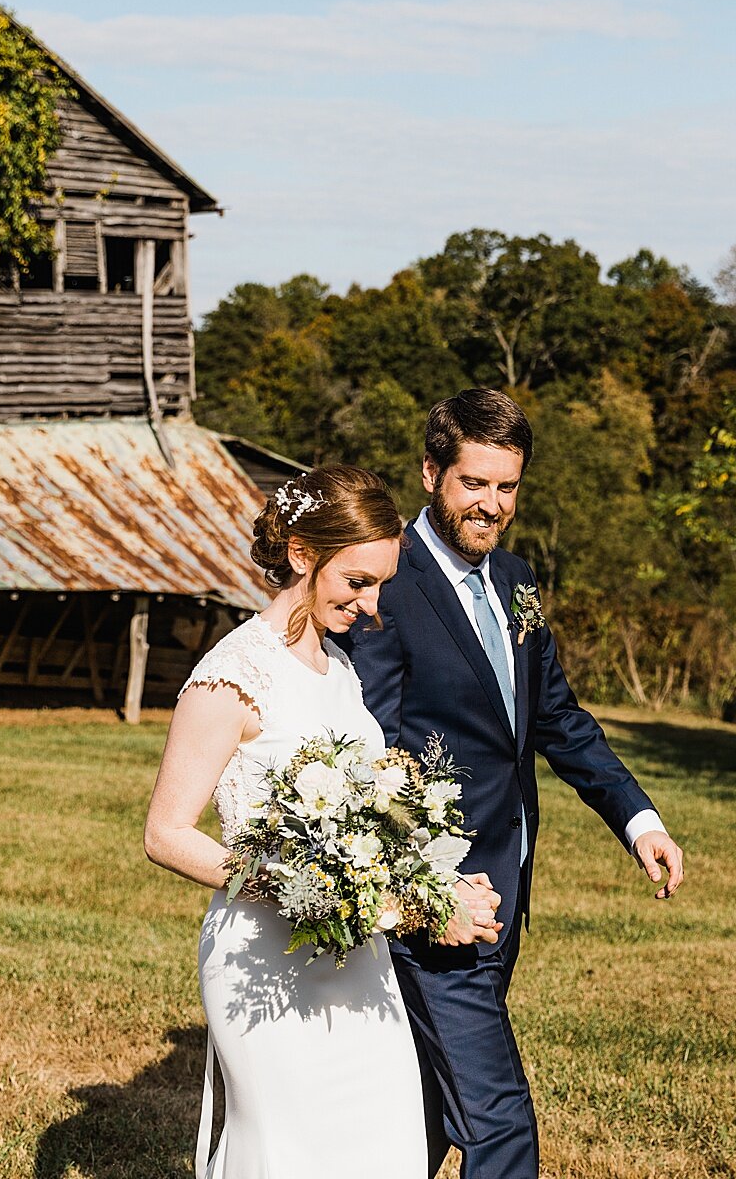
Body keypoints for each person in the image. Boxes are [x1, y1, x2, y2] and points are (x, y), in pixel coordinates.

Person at [337, 389, 687, 1179]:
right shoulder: (387, 582)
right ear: (433, 474)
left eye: (507, 487)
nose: (491, 506)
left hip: (508, 887)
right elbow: (370, 749)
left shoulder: (518, 579)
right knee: (499, 1124)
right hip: (437, 902)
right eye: (474, 484)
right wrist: (427, 885)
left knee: (422, 1113)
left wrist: (639, 821)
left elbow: (557, 719)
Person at [142, 464, 504, 1179]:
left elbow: (370, 825)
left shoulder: (338, 667)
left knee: (391, 1146)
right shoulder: (233, 675)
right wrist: (305, 890)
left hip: (359, 958)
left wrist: (436, 892)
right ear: (303, 556)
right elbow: (166, 834)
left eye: (381, 586)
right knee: (293, 1155)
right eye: (357, 582)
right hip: (263, 960)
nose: (371, 606)